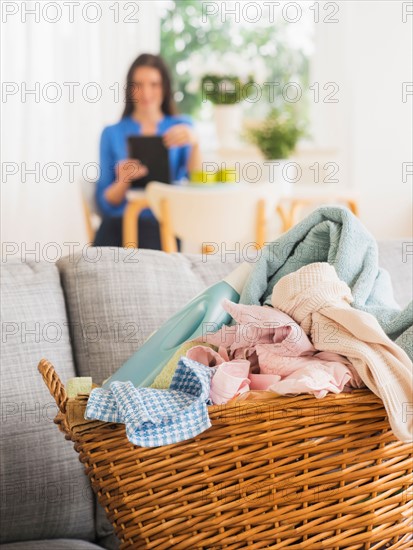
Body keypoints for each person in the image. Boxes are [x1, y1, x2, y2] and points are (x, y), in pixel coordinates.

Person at [93, 53, 202, 249]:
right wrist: (124, 180)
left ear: (165, 88)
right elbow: (105, 203)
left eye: (154, 84)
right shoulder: (111, 133)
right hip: (118, 224)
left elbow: (196, 181)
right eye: (138, 85)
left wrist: (195, 143)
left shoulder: (183, 127)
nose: (146, 93)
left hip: (164, 223)